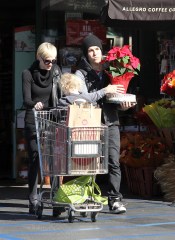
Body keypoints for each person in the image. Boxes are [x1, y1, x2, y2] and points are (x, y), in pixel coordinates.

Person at [75, 34, 133, 214]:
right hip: (89, 123)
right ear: (86, 54)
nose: (94, 53)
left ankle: (115, 199)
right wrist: (104, 90)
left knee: (113, 162)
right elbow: (82, 98)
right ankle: (87, 197)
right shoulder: (80, 74)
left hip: (111, 122)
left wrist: (124, 106)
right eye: (90, 50)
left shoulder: (113, 70)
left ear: (102, 51)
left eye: (97, 49)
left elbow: (117, 99)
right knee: (88, 163)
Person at [22, 42, 62, 214]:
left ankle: (56, 199)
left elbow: (60, 93)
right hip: (34, 119)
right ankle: (33, 199)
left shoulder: (56, 71)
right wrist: (35, 104)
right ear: (38, 57)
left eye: (53, 60)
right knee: (35, 159)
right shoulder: (28, 74)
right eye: (47, 60)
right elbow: (26, 100)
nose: (50, 64)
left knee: (54, 160)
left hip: (51, 119)